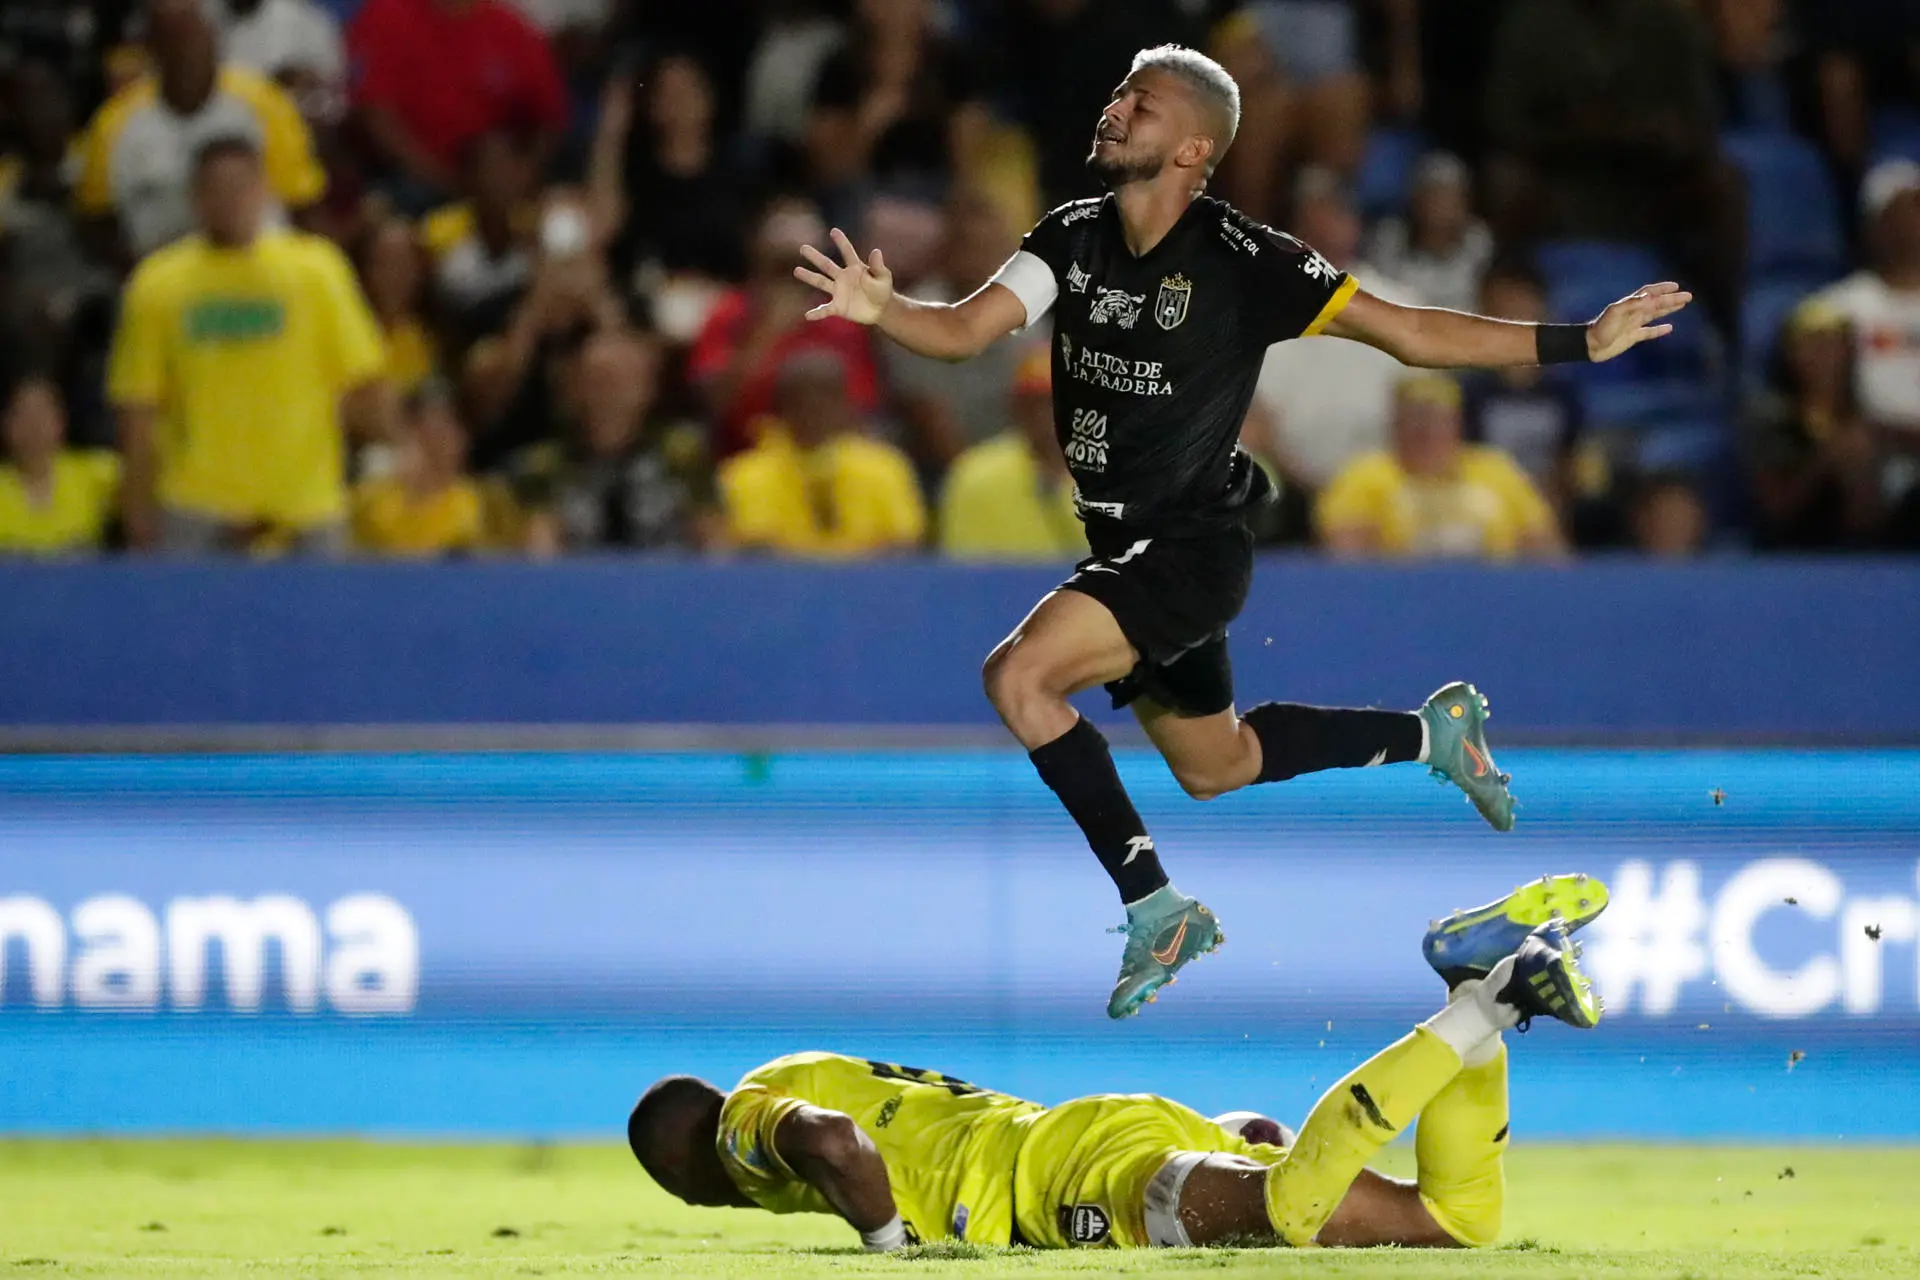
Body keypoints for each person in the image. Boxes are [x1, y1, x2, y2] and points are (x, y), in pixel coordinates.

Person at [794, 43, 1686, 1018]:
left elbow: (1412, 333)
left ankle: (1157, 908)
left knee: (1018, 675)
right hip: (1124, 551)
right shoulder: (1068, 236)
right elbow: (966, 329)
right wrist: (886, 309)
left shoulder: (1244, 260)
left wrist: (1578, 341)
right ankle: (1432, 734)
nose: (1115, 109)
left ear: (1193, 150)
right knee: (1215, 765)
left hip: (1186, 551)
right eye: (1119, 93)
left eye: (1143, 103)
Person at [630, 875, 1610, 1252]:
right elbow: (871, 1117)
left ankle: (1496, 992)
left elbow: (833, 1140)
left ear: (689, 1181)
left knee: (1286, 1213)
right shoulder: (802, 1058)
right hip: (1094, 1137)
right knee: (1454, 1221)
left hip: (1062, 1183)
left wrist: (895, 1251)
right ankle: (1465, 981)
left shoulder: (746, 1125)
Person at [107, 135, 391, 556]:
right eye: (215, 189)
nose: (229, 200)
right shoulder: (156, 284)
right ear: (195, 197)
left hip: (304, 506)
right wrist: (138, 509)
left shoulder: (316, 271)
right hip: (195, 504)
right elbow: (138, 408)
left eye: (239, 186)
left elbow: (365, 381)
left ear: (263, 190)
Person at [74, 0, 326, 263]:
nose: (186, 51)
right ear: (153, 50)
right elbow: (95, 222)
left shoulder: (264, 104)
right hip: (160, 275)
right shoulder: (115, 123)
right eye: (173, 41)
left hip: (259, 273)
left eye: (194, 37)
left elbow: (303, 206)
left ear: (213, 41)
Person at [510, 331, 720, 553]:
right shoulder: (543, 466)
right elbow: (539, 556)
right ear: (574, 389)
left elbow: (716, 546)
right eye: (600, 379)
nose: (612, 393)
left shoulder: (682, 455)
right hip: (577, 581)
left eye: (626, 379)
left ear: (649, 388)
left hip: (666, 578)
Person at [346, 0, 567, 209]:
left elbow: (550, 115)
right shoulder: (386, 17)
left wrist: (525, 172)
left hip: (500, 172)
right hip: (414, 178)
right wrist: (444, 178)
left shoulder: (508, 25)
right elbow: (375, 114)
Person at [1317, 375, 1565, 560]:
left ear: (1457, 424)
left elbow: (1546, 549)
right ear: (1395, 424)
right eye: (1415, 418)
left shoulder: (1496, 470)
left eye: (1438, 419)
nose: (1426, 429)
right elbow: (1345, 558)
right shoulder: (1364, 475)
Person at [717, 350, 924, 558]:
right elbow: (756, 551)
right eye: (800, 397)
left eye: (828, 395)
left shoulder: (885, 467)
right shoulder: (745, 475)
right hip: (783, 588)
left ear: (848, 404)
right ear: (781, 407)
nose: (815, 407)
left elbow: (905, 544)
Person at [939, 344, 1086, 562]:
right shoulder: (977, 476)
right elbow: (965, 576)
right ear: (1017, 408)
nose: (1052, 415)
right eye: (1039, 404)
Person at [351, 380, 484, 556]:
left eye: (446, 428)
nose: (439, 441)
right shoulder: (371, 500)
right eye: (423, 430)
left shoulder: (474, 504)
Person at [0, 376, 120, 556]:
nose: (34, 425)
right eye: (23, 414)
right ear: (6, 425)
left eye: (42, 413)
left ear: (61, 421)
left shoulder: (94, 473)